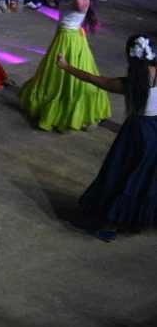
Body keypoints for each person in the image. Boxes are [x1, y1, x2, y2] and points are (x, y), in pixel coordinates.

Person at [57, 34, 157, 242]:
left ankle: (109, 225)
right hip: (155, 132)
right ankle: (140, 218)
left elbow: (92, 78)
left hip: (136, 134)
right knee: (146, 177)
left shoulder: (129, 84)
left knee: (119, 175)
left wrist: (65, 66)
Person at [20, 0, 112, 132]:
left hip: (70, 40)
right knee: (54, 72)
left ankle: (66, 111)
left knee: (66, 73)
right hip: (62, 35)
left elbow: (79, 6)